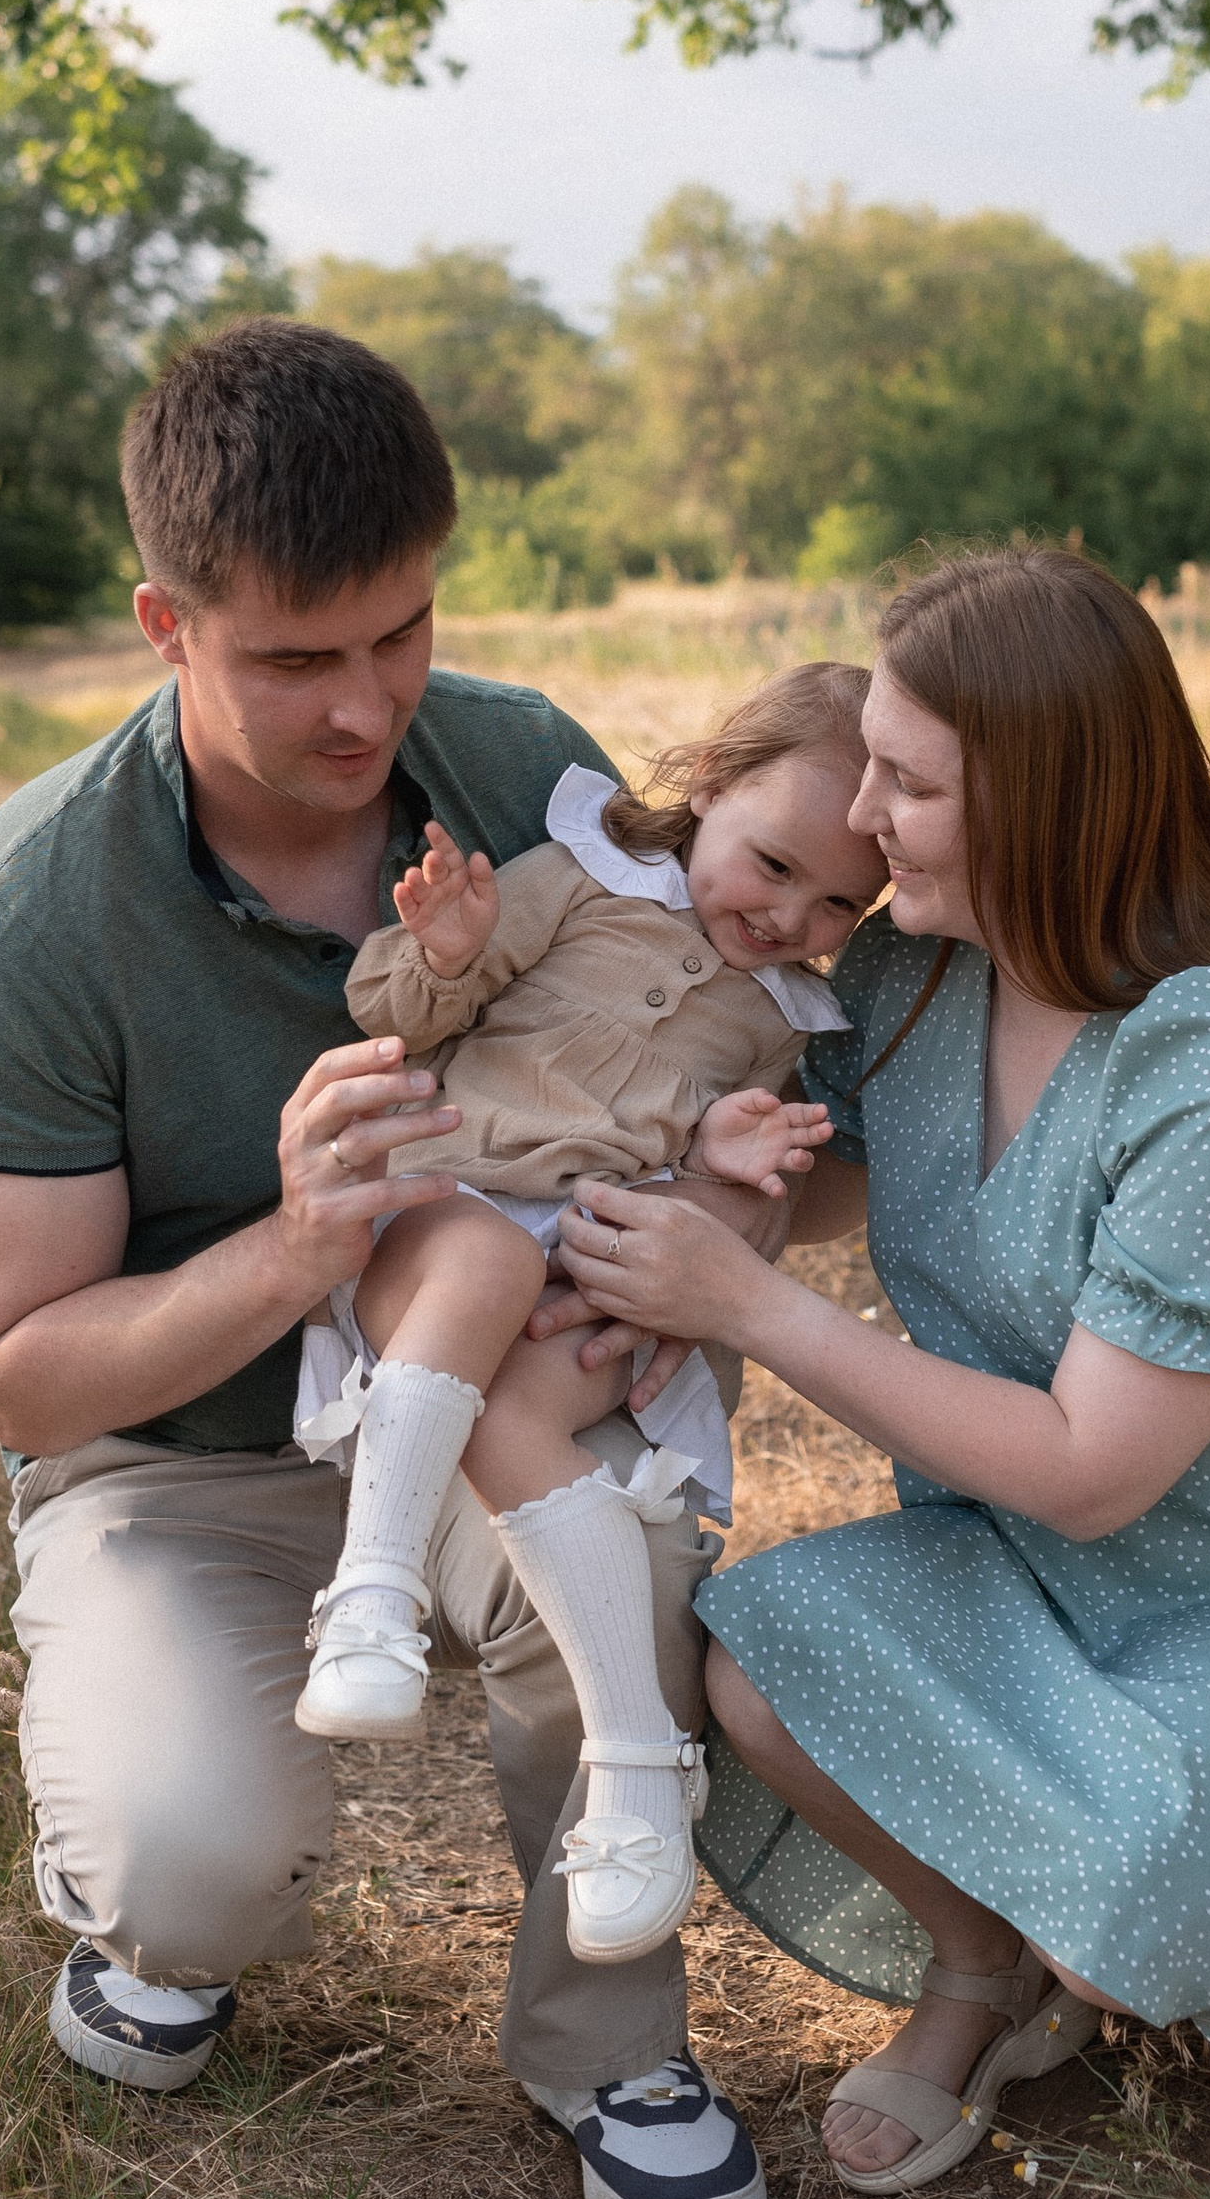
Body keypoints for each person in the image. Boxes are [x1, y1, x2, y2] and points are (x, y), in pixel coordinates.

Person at [0, 315, 772, 2199]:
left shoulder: (529, 766)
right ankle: (164, 1924)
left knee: (627, 1551)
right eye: (296, 660)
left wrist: (685, 1263)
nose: (367, 707)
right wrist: (300, 1246)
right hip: (180, 1460)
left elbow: (710, 1049)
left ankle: (609, 2044)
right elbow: (20, 1376)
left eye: (401, 634)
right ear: (166, 623)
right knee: (193, 1863)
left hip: (491, 1405)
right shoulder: (33, 908)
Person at [554, 543, 1210, 2195]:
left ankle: (1196, 1933)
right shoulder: (913, 971)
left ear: (1047, 803)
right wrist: (695, 1199)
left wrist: (749, 1308)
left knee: (1133, 1920)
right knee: (759, 1673)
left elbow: (1091, 1468)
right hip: (1021, 1558)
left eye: (911, 785)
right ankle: (980, 1965)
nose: (863, 818)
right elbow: (815, 1186)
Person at [297, 671, 878, 1975]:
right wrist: (449, 952)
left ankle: (638, 1767)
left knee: (525, 1419)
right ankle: (372, 1594)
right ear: (710, 784)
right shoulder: (581, 872)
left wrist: (727, 1159)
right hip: (442, 1209)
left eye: (841, 903)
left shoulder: (784, 1015)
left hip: (592, 1266)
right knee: (485, 1266)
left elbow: (725, 1175)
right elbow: (394, 1015)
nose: (791, 917)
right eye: (774, 864)